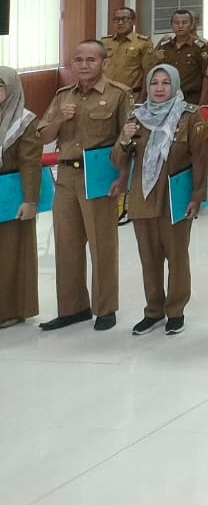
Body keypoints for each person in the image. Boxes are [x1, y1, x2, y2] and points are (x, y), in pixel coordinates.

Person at [36, 40, 133, 331]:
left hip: (100, 175)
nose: (84, 65)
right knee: (66, 245)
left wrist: (123, 178)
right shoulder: (63, 96)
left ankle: (105, 308)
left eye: (91, 60)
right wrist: (59, 119)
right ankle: (73, 308)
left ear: (104, 63)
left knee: (102, 244)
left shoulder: (118, 94)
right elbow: (43, 136)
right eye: (78, 60)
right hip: (66, 177)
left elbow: (128, 140)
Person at [111, 65, 207, 335]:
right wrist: (124, 140)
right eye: (154, 83)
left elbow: (200, 158)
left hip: (174, 196)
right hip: (143, 197)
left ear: (175, 85)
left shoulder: (189, 116)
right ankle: (153, 311)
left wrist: (198, 195)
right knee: (149, 258)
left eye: (166, 82)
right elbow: (118, 161)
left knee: (177, 256)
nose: (160, 88)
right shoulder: (137, 117)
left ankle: (175, 311)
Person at [0, 67, 44, 328]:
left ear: (12, 89)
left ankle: (11, 310)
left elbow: (30, 163)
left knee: (11, 255)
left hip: (13, 197)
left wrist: (30, 200)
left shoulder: (24, 121)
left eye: (0, 86)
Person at [156, 9, 208, 102]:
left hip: (191, 98)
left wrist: (203, 102)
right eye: (176, 23)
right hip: (168, 98)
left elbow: (207, 75)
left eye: (184, 22)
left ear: (191, 25)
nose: (180, 26)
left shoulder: (200, 47)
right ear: (171, 26)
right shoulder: (165, 46)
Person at [102, 5, 158, 95]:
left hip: (131, 94)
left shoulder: (143, 43)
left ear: (133, 21)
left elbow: (147, 72)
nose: (120, 23)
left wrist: (143, 96)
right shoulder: (105, 42)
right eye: (116, 19)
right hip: (107, 93)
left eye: (124, 19)